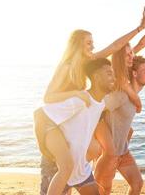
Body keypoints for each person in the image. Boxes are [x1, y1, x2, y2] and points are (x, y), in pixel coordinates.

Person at [34, 7, 145, 195]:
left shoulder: (89, 62)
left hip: (68, 120)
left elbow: (114, 47)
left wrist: (139, 29)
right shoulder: (66, 67)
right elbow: (48, 98)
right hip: (53, 121)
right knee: (62, 169)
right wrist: (77, 95)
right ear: (77, 45)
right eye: (89, 44)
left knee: (78, 165)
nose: (93, 47)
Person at [34, 58, 114, 194]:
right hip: (61, 170)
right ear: (96, 77)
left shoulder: (101, 104)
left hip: (81, 169)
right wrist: (44, 146)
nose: (114, 77)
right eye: (109, 73)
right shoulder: (80, 101)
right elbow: (41, 114)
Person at [94, 56, 145, 195]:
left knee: (137, 184)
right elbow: (96, 109)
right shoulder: (121, 95)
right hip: (109, 153)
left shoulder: (132, 97)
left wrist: (126, 136)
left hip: (123, 151)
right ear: (134, 73)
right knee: (104, 190)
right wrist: (102, 145)